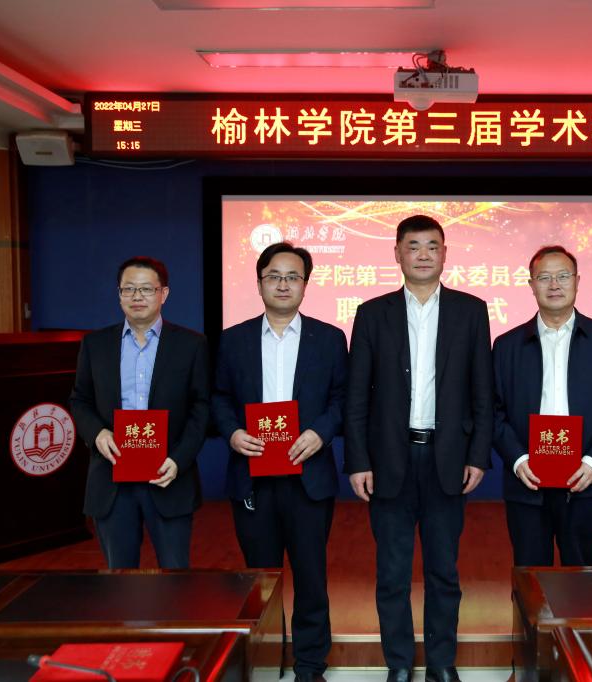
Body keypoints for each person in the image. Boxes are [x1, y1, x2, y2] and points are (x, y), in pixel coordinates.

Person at [344, 215, 493, 682]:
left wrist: (478, 455)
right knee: (391, 573)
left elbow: (483, 392)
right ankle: (399, 663)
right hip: (390, 459)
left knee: (444, 571)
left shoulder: (471, 311)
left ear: (445, 253)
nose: (423, 254)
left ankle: (442, 663)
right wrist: (358, 460)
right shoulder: (372, 313)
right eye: (413, 246)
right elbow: (356, 396)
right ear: (397, 253)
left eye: (432, 246)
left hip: (448, 459)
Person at [211, 242, 346, 682]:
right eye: (274, 276)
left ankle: (309, 666)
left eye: (292, 277)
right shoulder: (234, 339)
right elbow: (219, 397)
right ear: (259, 283)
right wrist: (232, 432)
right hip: (252, 475)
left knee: (311, 577)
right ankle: (265, 661)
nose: (283, 284)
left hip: (308, 474)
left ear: (305, 284)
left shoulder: (330, 339)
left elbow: (342, 398)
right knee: (260, 580)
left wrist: (320, 432)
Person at [493, 245, 592, 567]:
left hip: (586, 481)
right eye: (544, 277)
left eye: (563, 276)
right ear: (531, 285)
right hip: (527, 482)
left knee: (584, 579)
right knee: (531, 578)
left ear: (577, 281)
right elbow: (493, 411)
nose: (554, 284)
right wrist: (518, 459)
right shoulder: (506, 346)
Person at [69, 256, 209, 569]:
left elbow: (201, 407)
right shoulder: (95, 344)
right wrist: (97, 433)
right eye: (128, 289)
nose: (137, 296)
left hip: (168, 475)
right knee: (120, 579)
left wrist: (179, 459)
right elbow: (80, 400)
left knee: (175, 578)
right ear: (119, 294)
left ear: (164, 294)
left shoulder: (191, 345)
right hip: (112, 478)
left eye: (146, 289)